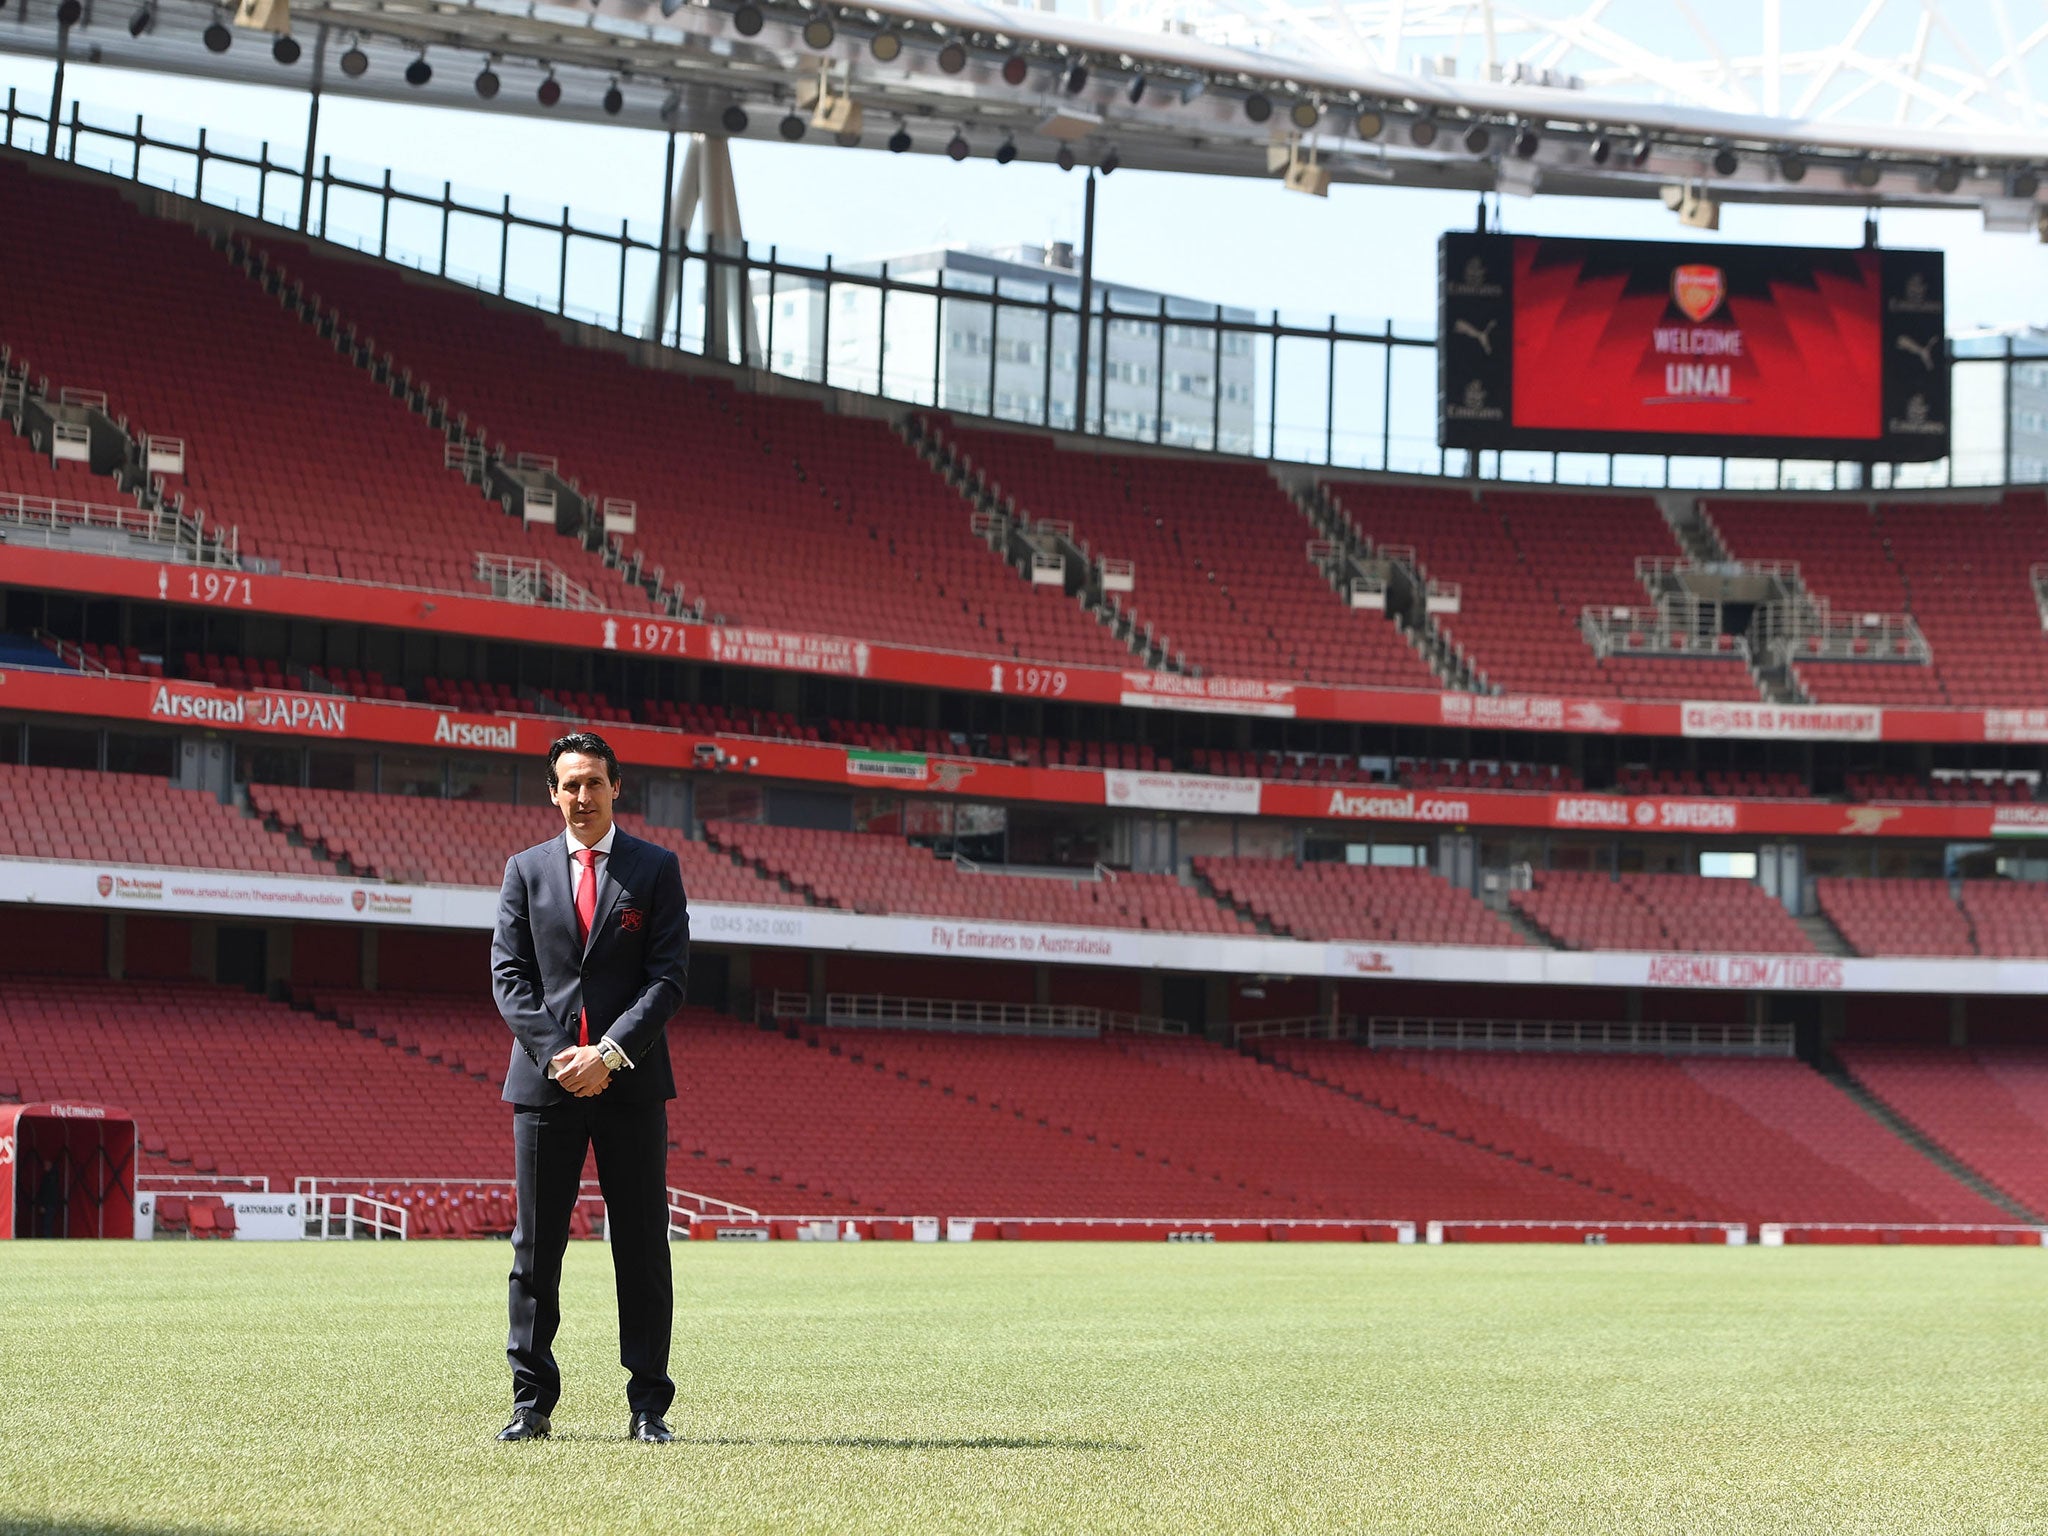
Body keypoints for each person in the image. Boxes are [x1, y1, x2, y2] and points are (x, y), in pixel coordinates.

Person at [491, 731, 689, 1444]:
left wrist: (608, 1053)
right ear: (553, 792)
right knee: (536, 1251)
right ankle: (530, 1403)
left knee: (640, 1249)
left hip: (630, 1086)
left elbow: (668, 979)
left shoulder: (656, 869)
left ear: (616, 788)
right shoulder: (524, 870)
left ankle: (648, 1407)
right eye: (569, 784)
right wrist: (559, 1058)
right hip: (546, 1089)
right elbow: (509, 980)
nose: (582, 796)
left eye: (594, 783)